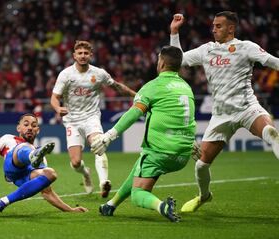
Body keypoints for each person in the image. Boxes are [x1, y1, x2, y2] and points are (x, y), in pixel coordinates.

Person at [169, 11, 279, 213]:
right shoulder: (206, 50)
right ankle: (204, 196)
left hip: (247, 108)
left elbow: (274, 62)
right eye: (213, 25)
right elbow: (179, 60)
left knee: (272, 134)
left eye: (218, 26)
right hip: (220, 115)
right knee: (201, 166)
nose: (213, 29)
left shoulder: (246, 47)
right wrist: (174, 33)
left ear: (231, 28)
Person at [91, 46, 196, 222]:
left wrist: (109, 135)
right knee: (139, 167)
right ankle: (111, 205)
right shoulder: (186, 87)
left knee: (138, 194)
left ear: (161, 62)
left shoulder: (153, 86)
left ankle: (162, 206)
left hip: (160, 151)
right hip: (183, 155)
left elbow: (134, 113)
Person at [0, 113, 88, 218]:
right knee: (23, 147)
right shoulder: (8, 139)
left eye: (34, 125)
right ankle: (31, 155)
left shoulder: (42, 160)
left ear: (38, 130)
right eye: (26, 124)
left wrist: (70, 210)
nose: (30, 127)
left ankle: (1, 202)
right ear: (18, 128)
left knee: (51, 173)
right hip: (12, 167)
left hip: (24, 178)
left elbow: (47, 193)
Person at [51, 40, 136, 197]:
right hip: (72, 121)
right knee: (76, 163)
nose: (83, 56)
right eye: (80, 53)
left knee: (98, 145)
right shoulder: (66, 74)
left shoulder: (99, 73)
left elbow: (117, 86)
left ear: (90, 55)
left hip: (91, 117)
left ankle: (104, 182)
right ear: (74, 56)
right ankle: (86, 173)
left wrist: (137, 95)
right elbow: (54, 97)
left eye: (85, 53)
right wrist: (57, 108)